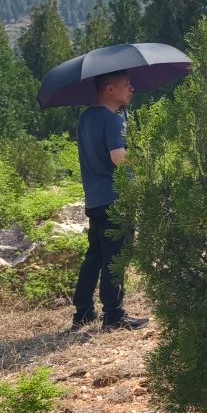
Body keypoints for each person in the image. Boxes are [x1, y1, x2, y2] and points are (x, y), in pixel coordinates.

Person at [73, 70, 147, 333]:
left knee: (94, 256)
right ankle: (113, 315)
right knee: (116, 257)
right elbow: (118, 158)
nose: (132, 89)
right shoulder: (112, 121)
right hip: (116, 199)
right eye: (127, 84)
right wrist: (141, 155)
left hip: (95, 199)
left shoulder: (86, 118)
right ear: (110, 89)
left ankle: (83, 312)